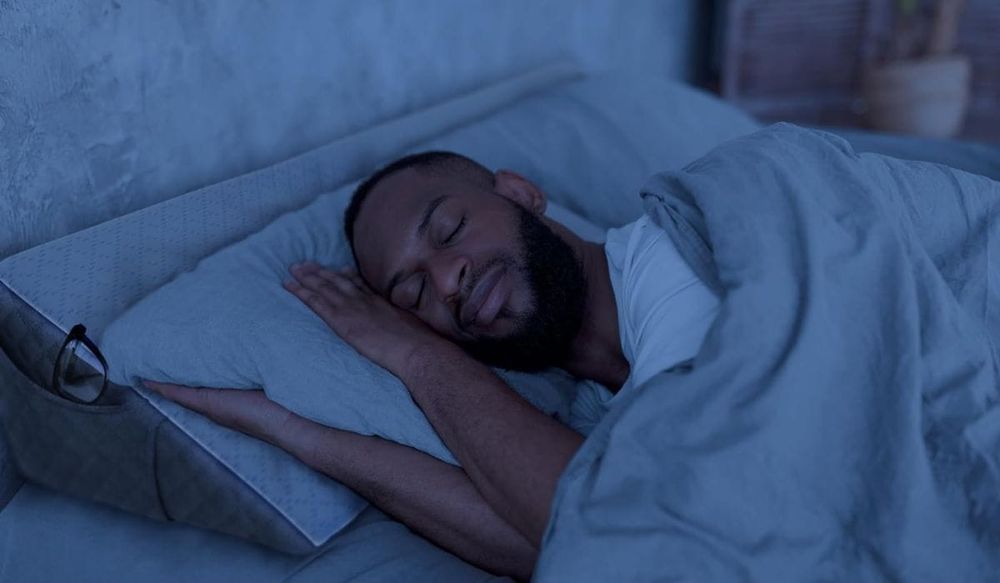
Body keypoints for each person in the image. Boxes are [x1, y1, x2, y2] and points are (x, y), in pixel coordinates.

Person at [143, 151, 720, 580]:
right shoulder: (599, 408)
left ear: (520, 193)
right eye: (413, 294)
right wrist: (302, 434)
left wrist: (417, 355)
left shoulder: (673, 261)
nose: (446, 281)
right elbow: (555, 538)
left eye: (449, 229)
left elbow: (625, 528)